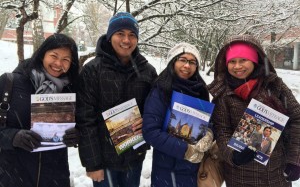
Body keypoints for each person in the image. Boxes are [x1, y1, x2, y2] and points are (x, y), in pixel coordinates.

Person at [75, 12, 157, 187]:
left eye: (132, 35)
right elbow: (85, 119)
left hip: (134, 155)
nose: (126, 40)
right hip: (103, 160)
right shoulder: (93, 70)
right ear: (110, 35)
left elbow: (155, 109)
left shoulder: (147, 71)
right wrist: (93, 163)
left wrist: (149, 121)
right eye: (120, 33)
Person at [208, 34, 300, 187]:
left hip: (276, 174)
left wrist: (295, 159)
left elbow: (297, 118)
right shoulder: (222, 93)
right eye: (232, 61)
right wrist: (233, 155)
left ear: (254, 60)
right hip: (241, 176)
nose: (237, 66)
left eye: (243, 60)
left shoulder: (274, 85)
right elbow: (222, 131)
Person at [0, 33, 80, 187]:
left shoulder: (70, 90)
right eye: (54, 56)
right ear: (42, 54)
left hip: (55, 178)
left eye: (66, 59)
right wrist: (13, 137)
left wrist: (77, 134)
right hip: (13, 177)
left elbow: (83, 123)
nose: (58, 63)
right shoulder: (9, 83)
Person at [142, 42, 214, 187]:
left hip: (192, 169)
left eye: (192, 62)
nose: (187, 66)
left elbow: (208, 121)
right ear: (172, 62)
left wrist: (210, 133)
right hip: (166, 170)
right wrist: (185, 150)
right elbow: (150, 132)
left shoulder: (201, 91)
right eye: (182, 60)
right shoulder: (161, 90)